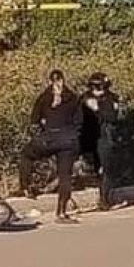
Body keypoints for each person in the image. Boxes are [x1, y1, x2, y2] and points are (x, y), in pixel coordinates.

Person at [19, 69, 83, 223]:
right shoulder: (73, 98)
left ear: (50, 81)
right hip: (67, 140)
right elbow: (79, 121)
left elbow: (34, 120)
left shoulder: (44, 98)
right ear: (63, 80)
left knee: (26, 155)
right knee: (65, 176)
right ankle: (61, 213)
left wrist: (44, 129)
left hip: (48, 138)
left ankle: (25, 186)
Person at [83, 72, 123, 211]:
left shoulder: (112, 98)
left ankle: (104, 199)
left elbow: (112, 117)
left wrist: (98, 108)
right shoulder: (85, 98)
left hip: (105, 138)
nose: (99, 89)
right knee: (94, 168)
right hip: (88, 138)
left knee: (106, 169)